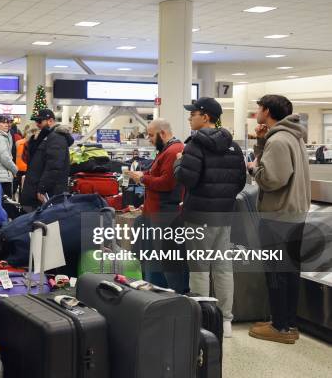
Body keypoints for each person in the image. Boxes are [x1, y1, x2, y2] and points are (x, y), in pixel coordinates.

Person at [173, 97, 246, 338]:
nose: (189, 117)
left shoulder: (195, 144)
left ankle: (203, 321)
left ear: (205, 117)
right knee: (223, 267)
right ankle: (225, 321)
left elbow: (187, 179)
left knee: (199, 268)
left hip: (198, 216)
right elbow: (240, 182)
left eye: (193, 113)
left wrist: (178, 164)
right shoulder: (233, 145)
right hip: (223, 216)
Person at [246, 95, 310, 344]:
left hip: (278, 216)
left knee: (276, 272)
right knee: (289, 271)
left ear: (267, 111)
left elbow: (273, 179)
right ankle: (286, 322)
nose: (256, 113)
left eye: (258, 108)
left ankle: (280, 327)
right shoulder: (291, 136)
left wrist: (253, 170)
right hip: (293, 214)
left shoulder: (280, 140)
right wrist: (261, 143)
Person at [127, 118, 187, 293]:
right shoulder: (165, 150)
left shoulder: (173, 150)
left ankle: (174, 296)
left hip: (164, 214)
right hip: (157, 213)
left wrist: (142, 178)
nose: (149, 138)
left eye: (151, 135)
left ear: (163, 133)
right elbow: (158, 174)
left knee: (167, 262)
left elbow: (167, 183)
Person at [21, 109, 74, 209]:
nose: (37, 124)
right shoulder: (47, 136)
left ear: (50, 121)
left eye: (39, 121)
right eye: (36, 121)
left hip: (50, 191)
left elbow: (54, 166)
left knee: (50, 221)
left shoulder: (56, 137)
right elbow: (33, 159)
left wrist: (43, 188)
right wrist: (34, 140)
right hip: (42, 188)